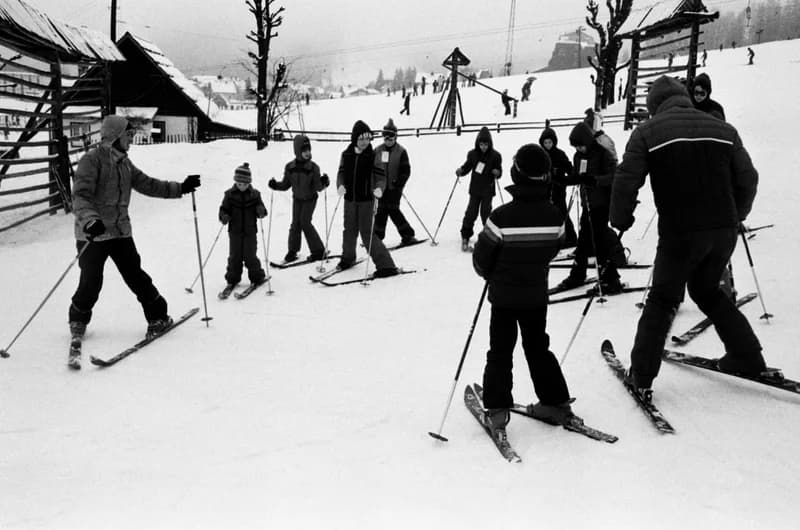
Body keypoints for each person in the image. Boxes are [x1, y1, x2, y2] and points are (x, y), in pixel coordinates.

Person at [610, 75, 765, 395]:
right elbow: (748, 178)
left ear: (653, 106)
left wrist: (620, 220)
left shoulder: (647, 133)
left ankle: (640, 376)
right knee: (708, 290)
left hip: (681, 233)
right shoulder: (724, 129)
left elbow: (626, 180)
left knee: (663, 299)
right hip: (723, 231)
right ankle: (747, 356)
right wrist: (738, 215)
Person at [68, 115, 201, 367]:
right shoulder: (92, 161)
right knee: (91, 282)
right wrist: (90, 220)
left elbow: (148, 185)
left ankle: (158, 316)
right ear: (116, 135)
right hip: (93, 233)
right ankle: (78, 319)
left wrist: (180, 188)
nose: (131, 139)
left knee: (136, 275)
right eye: (128, 135)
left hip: (119, 232)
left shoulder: (125, 164)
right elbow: (81, 196)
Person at [472, 143, 573, 438]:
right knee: (538, 347)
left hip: (503, 297)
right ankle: (556, 401)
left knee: (500, 351)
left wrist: (492, 273)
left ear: (517, 174)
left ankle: (498, 410)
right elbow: (555, 247)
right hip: (535, 296)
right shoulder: (556, 216)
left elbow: (482, 259)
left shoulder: (500, 217)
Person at [555, 121, 621, 293]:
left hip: (602, 204)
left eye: (581, 146)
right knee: (584, 240)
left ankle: (610, 279)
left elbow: (615, 176)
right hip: (588, 204)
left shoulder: (602, 154)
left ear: (588, 141)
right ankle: (578, 274)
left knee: (599, 241)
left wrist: (594, 180)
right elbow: (579, 176)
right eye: (576, 147)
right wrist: (564, 180)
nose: (579, 149)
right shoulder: (579, 156)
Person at [336, 120, 398, 277]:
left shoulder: (373, 156)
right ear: (355, 139)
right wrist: (340, 185)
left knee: (366, 232)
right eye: (361, 138)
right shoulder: (347, 154)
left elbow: (380, 176)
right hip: (350, 200)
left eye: (367, 138)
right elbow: (341, 173)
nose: (364, 142)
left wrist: (379, 188)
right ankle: (347, 257)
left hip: (366, 201)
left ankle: (386, 265)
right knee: (349, 230)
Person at [268, 134, 329, 263]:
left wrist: (324, 182)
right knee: (295, 224)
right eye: (304, 150)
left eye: (308, 150)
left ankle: (318, 251)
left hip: (310, 199)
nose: (307, 153)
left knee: (305, 222)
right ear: (297, 151)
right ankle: (292, 251)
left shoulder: (313, 168)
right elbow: (285, 185)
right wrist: (275, 185)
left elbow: (318, 187)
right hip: (297, 199)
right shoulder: (290, 167)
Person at [219, 163, 268, 295]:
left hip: (250, 231)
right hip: (234, 231)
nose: (242, 187)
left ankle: (257, 277)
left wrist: (260, 211)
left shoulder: (255, 195)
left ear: (249, 183)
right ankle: (232, 279)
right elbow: (223, 209)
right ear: (235, 182)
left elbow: (262, 211)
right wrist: (224, 216)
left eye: (244, 184)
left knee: (250, 255)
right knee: (235, 256)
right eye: (239, 184)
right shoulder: (229, 195)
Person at [455, 126, 503, 251]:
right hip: (475, 190)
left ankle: (488, 235)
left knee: (486, 213)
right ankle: (466, 234)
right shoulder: (472, 154)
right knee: (471, 212)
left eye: (486, 144)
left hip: (488, 190)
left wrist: (497, 172)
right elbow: (467, 167)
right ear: (478, 143)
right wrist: (461, 171)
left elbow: (499, 170)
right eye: (481, 144)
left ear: (490, 144)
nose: (483, 147)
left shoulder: (495, 156)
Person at [373, 119, 416, 245]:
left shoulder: (401, 151)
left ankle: (407, 235)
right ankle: (376, 237)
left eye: (391, 137)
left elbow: (406, 170)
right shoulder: (377, 150)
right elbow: (373, 169)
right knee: (381, 211)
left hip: (394, 188)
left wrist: (399, 182)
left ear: (395, 137)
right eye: (386, 137)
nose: (388, 140)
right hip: (381, 188)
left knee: (393, 210)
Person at [539, 125, 577, 247]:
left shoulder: (560, 154)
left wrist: (571, 177)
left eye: (550, 142)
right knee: (545, 214)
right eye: (545, 142)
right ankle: (548, 238)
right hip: (543, 190)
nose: (548, 144)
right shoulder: (540, 154)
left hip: (558, 189)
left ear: (554, 142)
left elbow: (569, 168)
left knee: (561, 213)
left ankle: (571, 238)